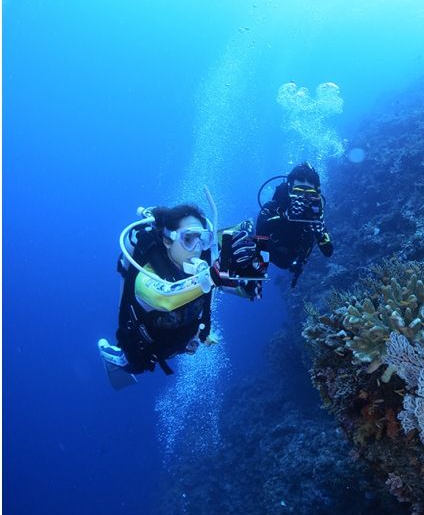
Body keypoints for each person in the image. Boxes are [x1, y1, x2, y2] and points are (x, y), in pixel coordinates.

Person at [98, 203, 255, 389]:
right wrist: (214, 274)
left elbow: (233, 287)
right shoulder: (146, 275)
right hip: (145, 347)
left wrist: (251, 282)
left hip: (182, 339)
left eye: (202, 239)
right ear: (167, 240)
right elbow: (166, 298)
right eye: (188, 239)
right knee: (134, 365)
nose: (197, 249)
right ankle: (110, 353)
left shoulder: (204, 263)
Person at [250, 162, 333, 287]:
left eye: (310, 193)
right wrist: (286, 217)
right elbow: (260, 234)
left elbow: (328, 252)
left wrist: (320, 233)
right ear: (289, 189)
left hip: (292, 259)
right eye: (298, 192)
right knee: (247, 239)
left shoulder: (314, 215)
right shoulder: (273, 207)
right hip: (271, 252)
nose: (303, 198)